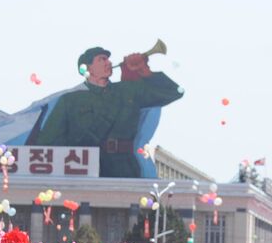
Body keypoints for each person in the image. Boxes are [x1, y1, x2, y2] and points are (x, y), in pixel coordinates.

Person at [31, 46, 183, 177]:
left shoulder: (128, 90)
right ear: (87, 68)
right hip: (82, 168)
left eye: (108, 59)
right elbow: (47, 142)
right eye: (102, 59)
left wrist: (145, 70)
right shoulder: (70, 101)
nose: (108, 62)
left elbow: (175, 92)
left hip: (123, 167)